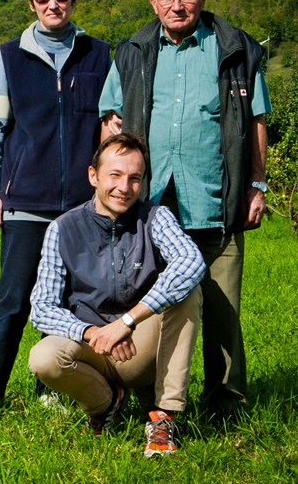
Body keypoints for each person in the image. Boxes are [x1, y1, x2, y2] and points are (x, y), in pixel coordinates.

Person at [99, 0, 272, 416]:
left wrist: (257, 183)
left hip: (216, 200)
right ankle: (141, 397)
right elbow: (112, 122)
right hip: (149, 205)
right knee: (143, 307)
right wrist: (109, 189)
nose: (178, 5)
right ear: (154, 3)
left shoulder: (236, 50)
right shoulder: (132, 51)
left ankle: (225, 404)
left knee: (221, 313)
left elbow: (255, 121)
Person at [0, 0, 110, 409]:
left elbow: (109, 127)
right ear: (31, 3)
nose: (53, 4)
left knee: (69, 302)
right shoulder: (9, 57)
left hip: (79, 205)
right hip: (25, 201)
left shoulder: (99, 54)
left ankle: (52, 392)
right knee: (13, 300)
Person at [28, 133, 204, 457]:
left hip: (140, 347)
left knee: (189, 292)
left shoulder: (155, 217)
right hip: (91, 346)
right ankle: (105, 403)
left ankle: (165, 416)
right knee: (42, 358)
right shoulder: (63, 228)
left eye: (135, 178)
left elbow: (192, 262)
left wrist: (127, 321)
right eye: (115, 175)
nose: (125, 187)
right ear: (93, 175)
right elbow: (41, 307)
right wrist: (92, 332)